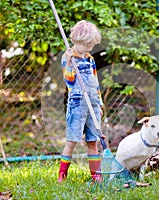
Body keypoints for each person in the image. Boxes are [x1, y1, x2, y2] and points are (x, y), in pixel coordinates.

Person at [58, 20, 104, 183]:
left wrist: (99, 103)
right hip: (77, 104)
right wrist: (70, 63)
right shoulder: (67, 57)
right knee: (72, 140)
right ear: (77, 41)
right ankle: (62, 176)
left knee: (93, 141)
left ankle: (96, 177)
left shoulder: (89, 58)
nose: (90, 49)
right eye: (88, 45)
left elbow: (95, 81)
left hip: (92, 103)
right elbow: (69, 82)